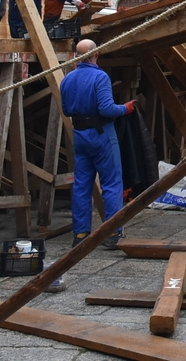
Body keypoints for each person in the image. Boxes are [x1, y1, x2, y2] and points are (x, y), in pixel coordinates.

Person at [61, 39, 135, 249]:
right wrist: (125, 108)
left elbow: (66, 110)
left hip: (80, 134)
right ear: (96, 54)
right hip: (101, 134)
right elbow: (106, 109)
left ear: (76, 56)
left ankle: (81, 233)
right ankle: (113, 232)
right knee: (111, 183)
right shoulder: (99, 77)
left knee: (82, 184)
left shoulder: (68, 79)